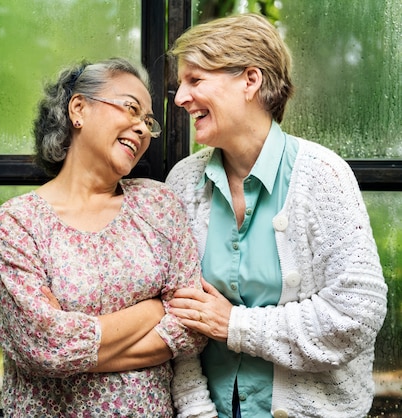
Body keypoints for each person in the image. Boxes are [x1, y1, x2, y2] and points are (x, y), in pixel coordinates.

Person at [164, 13, 388, 418]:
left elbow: (356, 314)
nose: (179, 98)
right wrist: (197, 411)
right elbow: (176, 314)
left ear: (250, 80)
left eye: (195, 80)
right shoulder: (183, 181)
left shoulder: (322, 174)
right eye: (181, 84)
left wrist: (234, 325)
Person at [0, 57, 217, 417]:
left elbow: (191, 329)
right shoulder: (17, 223)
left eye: (147, 121)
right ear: (78, 109)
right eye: (130, 108)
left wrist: (73, 349)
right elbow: (45, 347)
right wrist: (153, 309)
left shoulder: (158, 205)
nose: (141, 128)